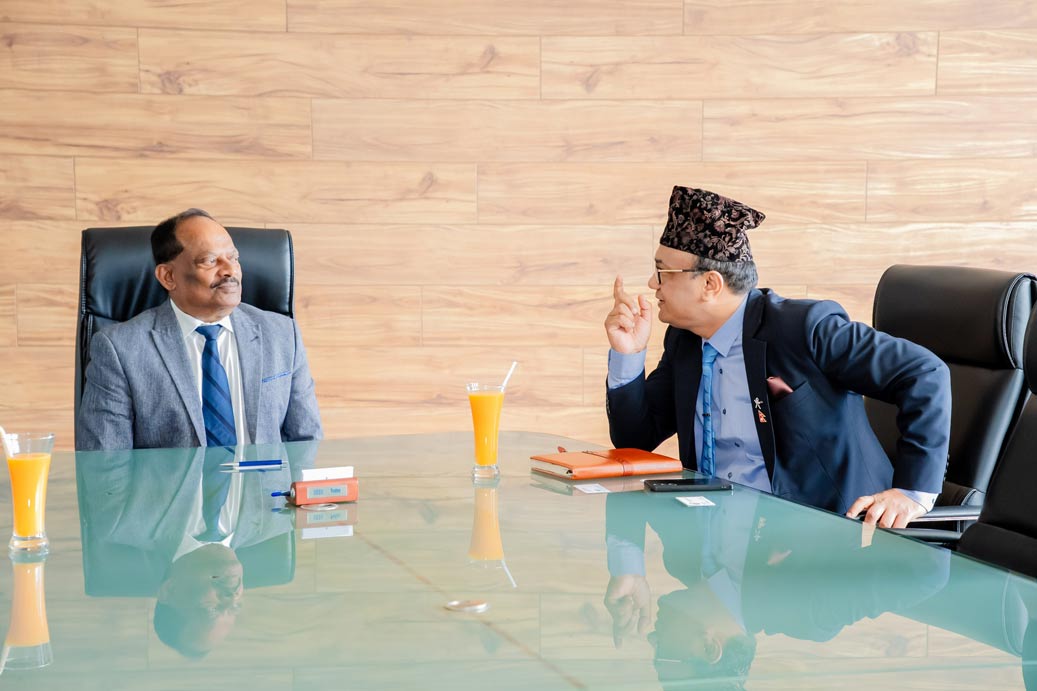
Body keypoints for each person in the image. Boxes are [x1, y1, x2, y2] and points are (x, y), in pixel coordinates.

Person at [605, 186, 951, 528]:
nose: (652, 284)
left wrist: (912, 491)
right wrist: (628, 354)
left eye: (663, 272)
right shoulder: (684, 340)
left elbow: (924, 372)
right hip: (714, 537)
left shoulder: (803, 327)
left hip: (828, 537)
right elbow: (635, 441)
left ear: (710, 284)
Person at [76, 208, 322, 451]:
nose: (229, 271)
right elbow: (105, 462)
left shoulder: (281, 334)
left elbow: (307, 443)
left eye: (233, 258)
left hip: (264, 480)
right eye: (210, 260)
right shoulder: (120, 349)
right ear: (168, 276)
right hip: (171, 480)